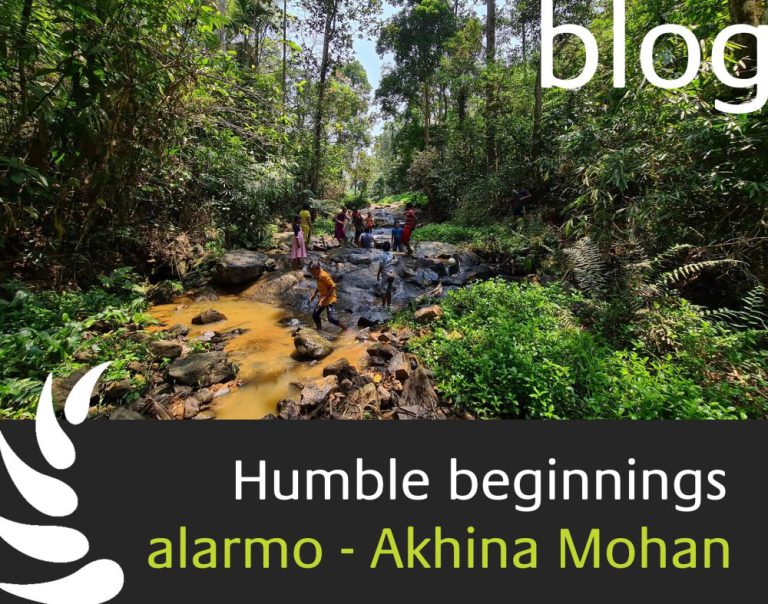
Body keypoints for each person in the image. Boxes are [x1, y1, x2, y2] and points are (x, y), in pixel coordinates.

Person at [309, 261, 345, 331]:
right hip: (323, 297)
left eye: (312, 271)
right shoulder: (317, 275)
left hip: (330, 298)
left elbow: (333, 286)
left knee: (331, 319)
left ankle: (346, 329)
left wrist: (322, 300)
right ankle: (319, 329)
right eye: (311, 271)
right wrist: (314, 295)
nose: (312, 273)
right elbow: (319, 286)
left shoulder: (323, 276)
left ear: (317, 269)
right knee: (315, 315)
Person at [377, 241, 396, 308]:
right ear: (389, 247)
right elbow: (393, 258)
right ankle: (388, 306)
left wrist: (378, 275)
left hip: (386, 275)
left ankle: (383, 307)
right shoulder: (391, 253)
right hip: (392, 274)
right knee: (389, 291)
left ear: (382, 248)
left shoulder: (382, 255)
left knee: (383, 291)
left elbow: (381, 267)